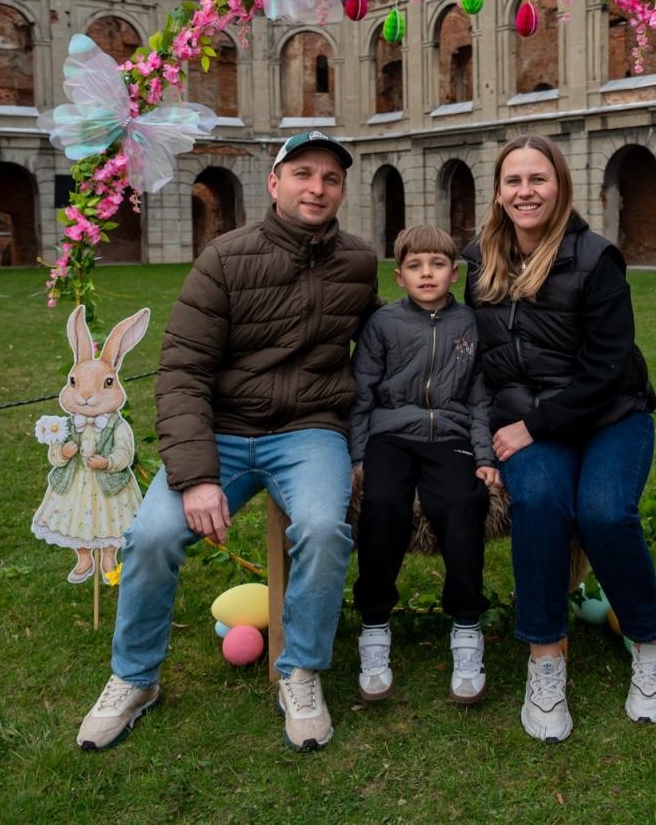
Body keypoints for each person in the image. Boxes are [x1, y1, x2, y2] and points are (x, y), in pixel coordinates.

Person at [76, 131, 379, 753]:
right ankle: (134, 678)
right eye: (302, 174)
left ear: (342, 190)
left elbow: (377, 352)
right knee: (152, 534)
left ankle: (300, 671)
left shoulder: (358, 262)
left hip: (310, 431)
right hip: (224, 432)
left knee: (324, 529)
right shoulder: (225, 257)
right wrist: (196, 475)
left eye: (330, 178)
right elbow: (183, 370)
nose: (316, 187)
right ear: (274, 183)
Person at [461, 134, 656, 744]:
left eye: (538, 179)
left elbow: (608, 367)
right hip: (527, 421)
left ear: (560, 187)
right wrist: (486, 439)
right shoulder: (479, 260)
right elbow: (473, 355)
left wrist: (532, 425)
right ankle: (546, 657)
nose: (526, 192)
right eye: (513, 182)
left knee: (605, 513)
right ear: (498, 194)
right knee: (541, 505)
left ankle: (648, 640)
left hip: (609, 415)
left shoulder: (595, 256)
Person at [348, 225, 500, 705]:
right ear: (399, 277)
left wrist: (484, 457)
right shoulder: (383, 325)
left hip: (451, 437)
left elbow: (480, 398)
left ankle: (466, 626)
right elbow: (361, 393)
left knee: (462, 503)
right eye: (415, 266)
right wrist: (357, 456)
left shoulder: (470, 324)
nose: (427, 273)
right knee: (384, 505)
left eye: (437, 264)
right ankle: (374, 624)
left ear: (454, 273)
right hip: (391, 434)